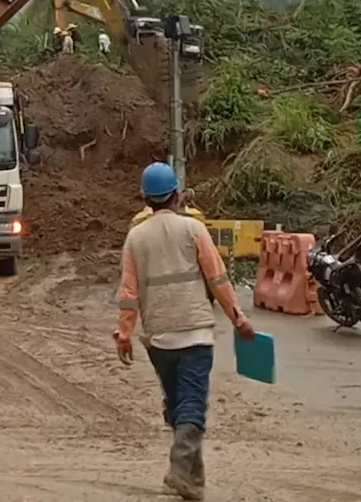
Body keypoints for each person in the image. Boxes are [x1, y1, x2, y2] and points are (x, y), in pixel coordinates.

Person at [113, 161, 255, 500]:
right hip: (195, 333)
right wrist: (238, 318)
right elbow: (218, 280)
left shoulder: (135, 237)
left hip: (159, 337)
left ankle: (193, 481)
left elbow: (128, 294)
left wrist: (123, 334)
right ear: (177, 195)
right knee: (191, 404)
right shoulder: (194, 230)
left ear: (146, 199)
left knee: (178, 406)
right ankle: (178, 471)